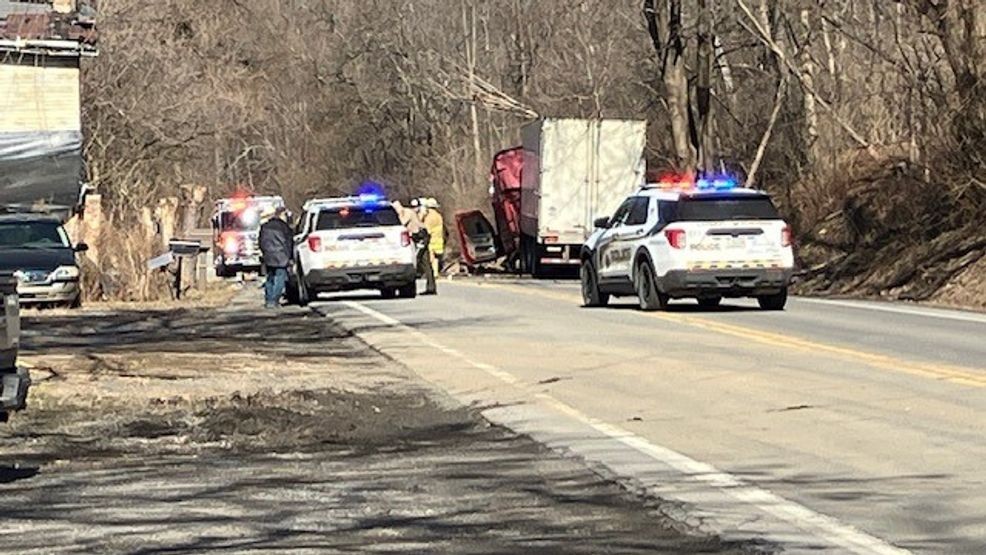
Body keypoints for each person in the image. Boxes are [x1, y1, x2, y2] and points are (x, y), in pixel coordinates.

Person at [393, 201, 436, 295]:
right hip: (418, 237)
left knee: (418, 260)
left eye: (396, 209)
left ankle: (430, 287)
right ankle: (431, 287)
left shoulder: (407, 212)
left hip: (420, 236)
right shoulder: (407, 212)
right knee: (424, 262)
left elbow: (402, 223)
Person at [259, 206, 293, 308]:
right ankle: (275, 300)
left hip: (268, 255)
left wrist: (264, 253)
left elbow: (260, 242)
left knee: (269, 278)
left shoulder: (265, 226)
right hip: (281, 255)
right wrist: (290, 257)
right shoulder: (284, 227)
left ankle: (269, 300)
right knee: (280, 278)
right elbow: (288, 242)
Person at [421, 197, 446, 278]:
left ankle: (430, 274)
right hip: (439, 239)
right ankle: (435, 273)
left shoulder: (429, 217)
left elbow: (426, 228)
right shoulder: (439, 216)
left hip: (431, 239)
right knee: (436, 258)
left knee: (430, 258)